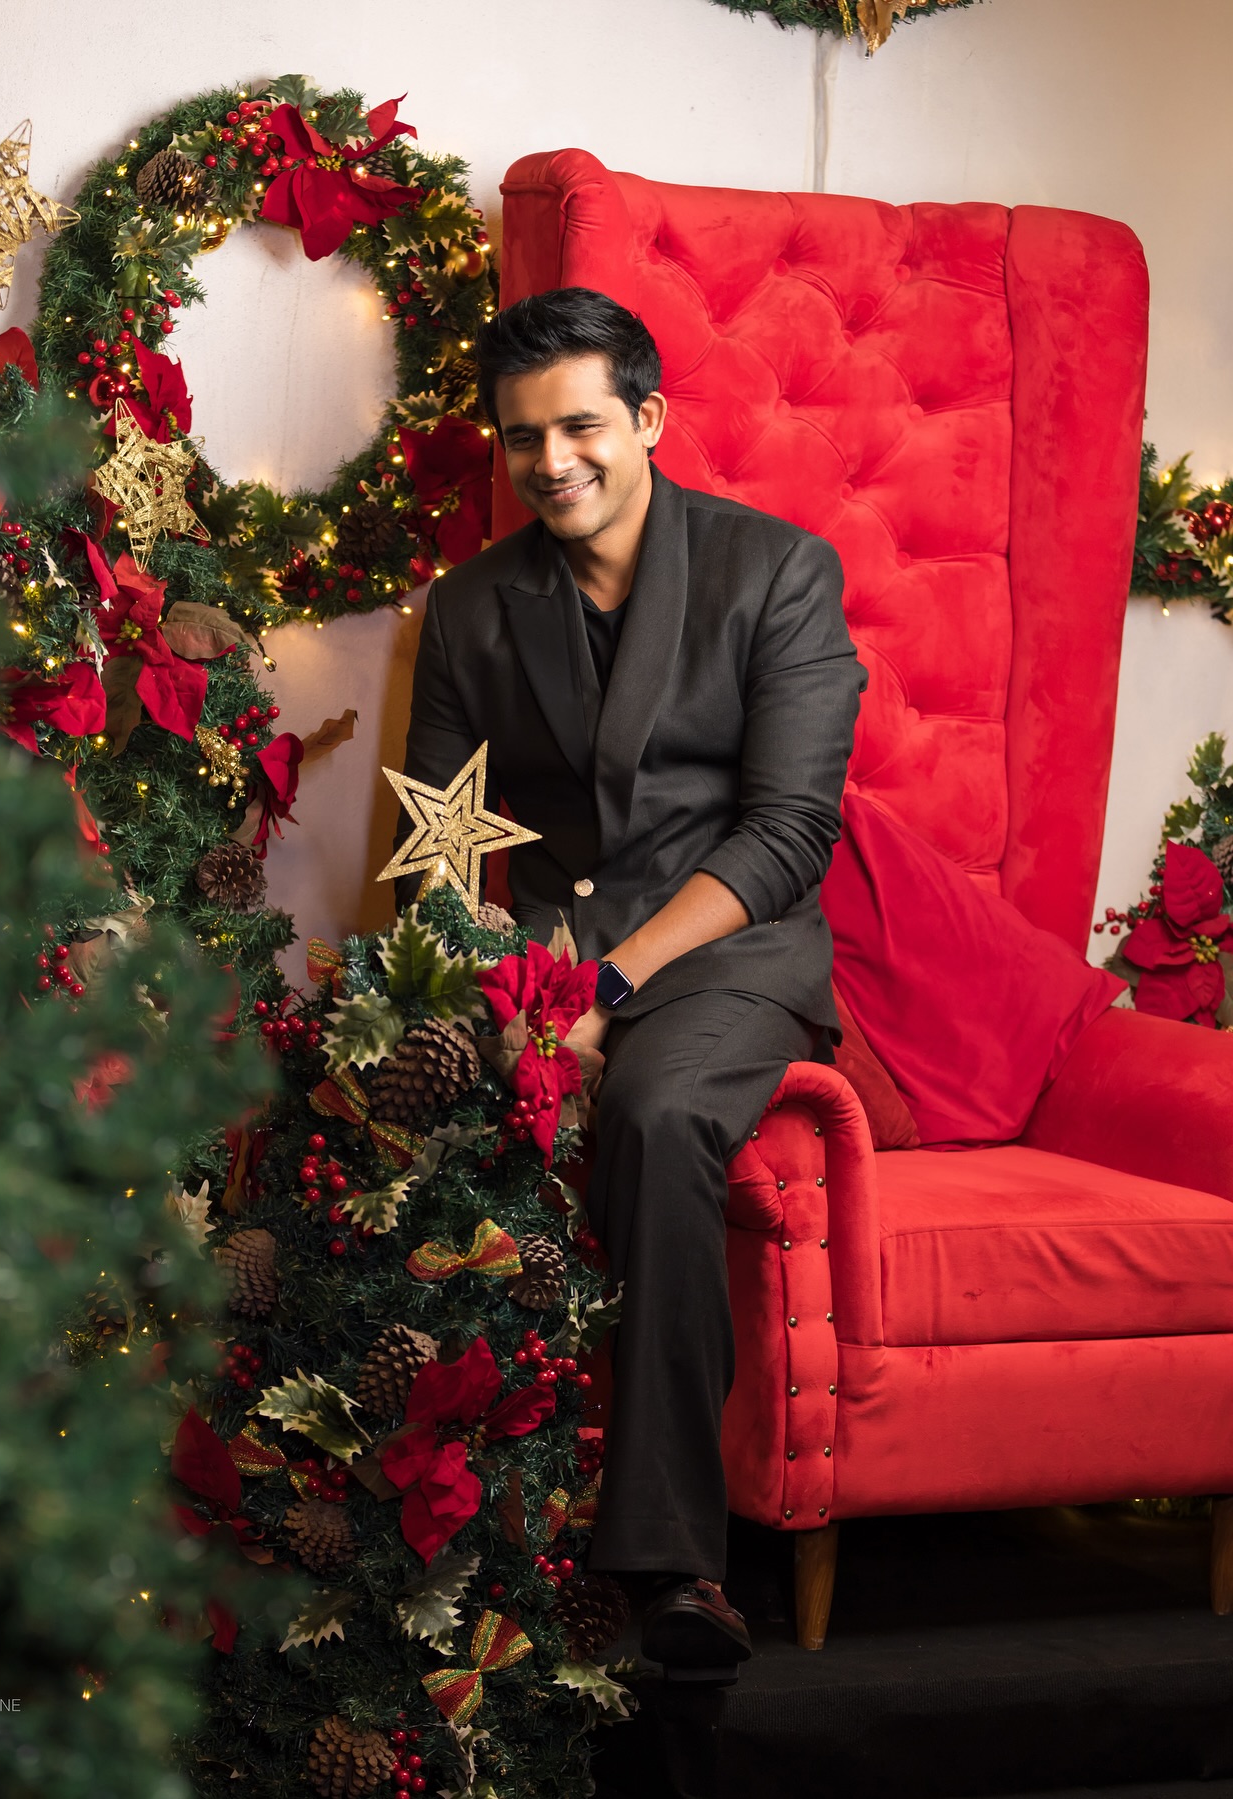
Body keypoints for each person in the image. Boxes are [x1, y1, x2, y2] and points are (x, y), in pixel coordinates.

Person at [395, 287, 866, 1681]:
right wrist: (463, 998)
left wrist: (604, 986)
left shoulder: (777, 572)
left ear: (648, 419)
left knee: (656, 1117)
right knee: (396, 1112)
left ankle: (671, 1570)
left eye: (581, 426)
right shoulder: (469, 607)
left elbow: (788, 834)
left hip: (727, 958)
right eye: (522, 437)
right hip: (542, 966)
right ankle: (426, 1559)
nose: (551, 462)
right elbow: (436, 847)